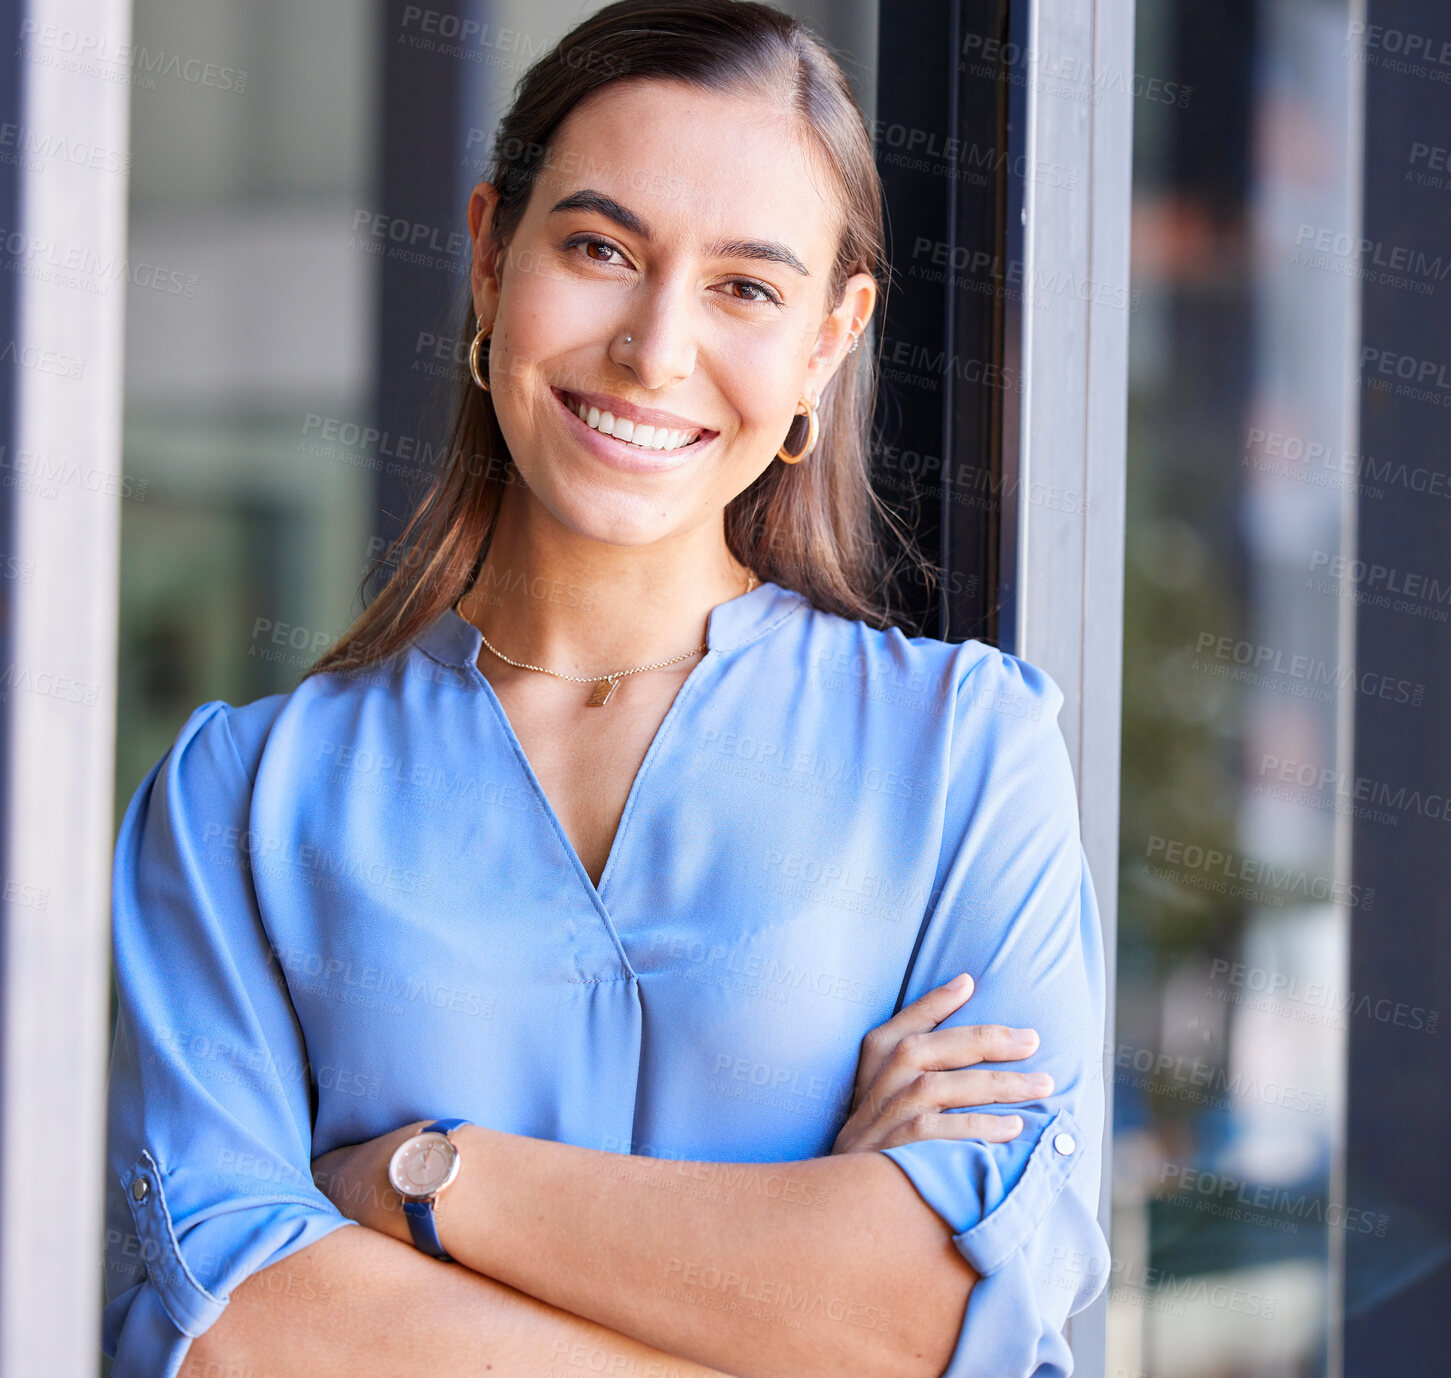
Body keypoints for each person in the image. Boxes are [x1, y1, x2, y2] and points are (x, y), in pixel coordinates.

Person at [101, 3, 1110, 1375]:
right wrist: (797, 1295)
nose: (653, 347)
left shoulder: (968, 757)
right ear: (487, 254)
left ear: (830, 337)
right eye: (598, 248)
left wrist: (423, 1182)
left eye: (747, 286)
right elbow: (241, 1333)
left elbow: (960, 1304)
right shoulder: (239, 800)